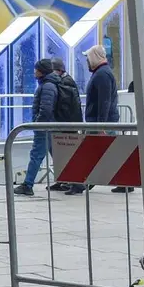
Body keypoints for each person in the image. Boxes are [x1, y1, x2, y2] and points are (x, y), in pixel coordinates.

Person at [84, 45, 130, 193]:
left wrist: (101, 126)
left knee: (101, 151)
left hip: (102, 121)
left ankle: (89, 180)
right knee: (104, 151)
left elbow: (104, 101)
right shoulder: (102, 73)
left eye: (88, 58)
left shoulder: (102, 75)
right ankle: (92, 180)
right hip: (103, 120)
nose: (87, 61)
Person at [15, 58, 61, 196]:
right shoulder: (49, 84)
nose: (34, 72)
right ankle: (70, 181)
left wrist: (37, 122)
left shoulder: (47, 86)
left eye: (36, 69)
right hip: (50, 125)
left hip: (44, 127)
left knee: (36, 155)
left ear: (41, 71)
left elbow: (46, 108)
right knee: (57, 155)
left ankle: (28, 184)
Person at [48, 57, 85, 196]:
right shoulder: (66, 82)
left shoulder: (65, 83)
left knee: (68, 154)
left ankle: (76, 183)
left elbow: (65, 105)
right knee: (60, 152)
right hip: (68, 123)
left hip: (67, 124)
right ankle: (64, 180)